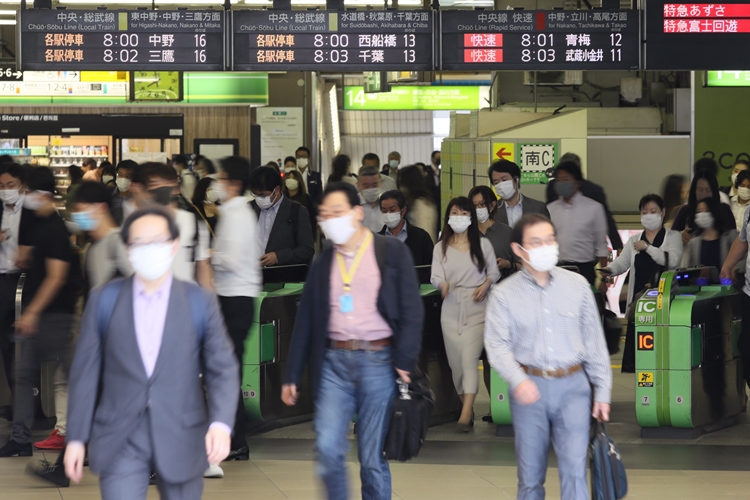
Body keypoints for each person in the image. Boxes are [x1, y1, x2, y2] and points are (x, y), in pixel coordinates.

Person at [63, 206, 239, 499]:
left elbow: (222, 367)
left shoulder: (199, 301)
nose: (149, 250)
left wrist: (221, 423)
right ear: (129, 251)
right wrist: (76, 438)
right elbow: (85, 373)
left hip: (182, 432)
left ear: (173, 246)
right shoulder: (104, 299)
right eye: (139, 243)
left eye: (157, 241)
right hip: (120, 435)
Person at [282, 182, 423, 500]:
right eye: (324, 215)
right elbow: (307, 320)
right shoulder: (324, 262)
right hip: (335, 365)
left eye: (337, 212)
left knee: (371, 458)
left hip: (379, 362)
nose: (329, 219)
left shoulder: (390, 252)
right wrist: (291, 374)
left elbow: (412, 310)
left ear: (357, 213)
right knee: (328, 450)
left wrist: (405, 361)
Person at [484, 212, 612, 500]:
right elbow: (497, 345)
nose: (545, 247)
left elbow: (594, 343)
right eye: (536, 241)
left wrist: (603, 391)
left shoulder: (577, 285)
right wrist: (518, 380)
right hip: (531, 388)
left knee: (575, 472)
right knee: (530, 479)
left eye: (550, 240)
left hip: (574, 388)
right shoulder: (504, 295)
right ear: (518, 250)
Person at [0, 167, 82, 458]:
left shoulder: (54, 229)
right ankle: (21, 439)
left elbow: (57, 276)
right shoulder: (40, 224)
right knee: (23, 375)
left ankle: (83, 439)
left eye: (26, 191)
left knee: (72, 376)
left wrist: (31, 312)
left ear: (40, 194)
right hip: (42, 315)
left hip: (54, 317)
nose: (24, 197)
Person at [431, 197, 499, 431]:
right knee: (455, 364)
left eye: (463, 213)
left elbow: (494, 272)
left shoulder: (483, 245)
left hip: (477, 307)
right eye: (454, 212)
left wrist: (486, 284)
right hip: (450, 308)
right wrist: (443, 286)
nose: (458, 217)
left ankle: (465, 413)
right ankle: (466, 408)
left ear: (470, 217)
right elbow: (435, 276)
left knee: (469, 359)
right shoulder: (440, 247)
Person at [211, 156, 262, 461]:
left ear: (234, 183)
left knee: (227, 373)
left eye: (220, 178)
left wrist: (207, 254)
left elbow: (228, 260)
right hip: (232, 298)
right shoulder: (233, 211)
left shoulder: (238, 214)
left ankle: (236, 441)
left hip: (235, 300)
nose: (216, 184)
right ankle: (232, 438)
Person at [600, 194, 682, 373]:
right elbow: (623, 263)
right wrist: (610, 270)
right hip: (640, 302)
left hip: (664, 301)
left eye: (653, 211)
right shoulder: (633, 241)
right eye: (644, 212)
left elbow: (672, 260)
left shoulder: (672, 237)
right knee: (642, 352)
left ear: (663, 212)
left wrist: (648, 247)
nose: (648, 215)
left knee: (663, 349)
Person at [0, 163, 35, 416]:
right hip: (3, 282)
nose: (5, 191)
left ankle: (31, 409)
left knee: (22, 349)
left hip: (24, 282)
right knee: (7, 347)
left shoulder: (32, 211)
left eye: (10, 185)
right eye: (1, 186)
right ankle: (18, 406)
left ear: (21, 185)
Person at [145, 163, 213, 289]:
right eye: (154, 185)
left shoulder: (193, 222)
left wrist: (210, 304)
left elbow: (203, 267)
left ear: (177, 188)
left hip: (184, 300)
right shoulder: (139, 225)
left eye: (165, 184)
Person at [547, 161, 609, 286]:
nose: (561, 183)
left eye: (565, 179)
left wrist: (604, 280)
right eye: (558, 179)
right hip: (555, 269)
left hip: (583, 270)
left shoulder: (594, 208)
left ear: (576, 184)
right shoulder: (550, 209)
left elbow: (601, 247)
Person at [546, 152, 623, 251]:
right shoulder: (553, 186)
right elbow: (547, 215)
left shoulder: (593, 190)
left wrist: (618, 246)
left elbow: (606, 219)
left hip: (586, 247)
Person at [72, 182, 134, 293]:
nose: (76, 216)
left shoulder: (120, 243)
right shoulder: (92, 249)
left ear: (101, 208)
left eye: (80, 209)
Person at [249, 166, 315, 267]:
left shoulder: (297, 211)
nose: (259, 199)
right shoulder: (249, 209)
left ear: (277, 190)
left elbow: (307, 250)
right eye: (255, 195)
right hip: (251, 276)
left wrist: (278, 257)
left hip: (282, 276)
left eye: (263, 195)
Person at [671, 170, 736, 245]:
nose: (704, 194)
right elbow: (670, 237)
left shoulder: (724, 210)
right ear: (694, 191)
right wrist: (680, 235)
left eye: (708, 190)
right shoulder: (685, 210)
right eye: (700, 190)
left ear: (714, 191)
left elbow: (733, 237)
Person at [469, 185, 515, 280]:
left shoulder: (507, 233)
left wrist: (508, 264)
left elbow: (522, 265)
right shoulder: (466, 233)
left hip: (502, 289)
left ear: (492, 205)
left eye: (482, 204)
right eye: (474, 205)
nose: (478, 209)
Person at [377, 190, 433, 266]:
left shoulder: (421, 237)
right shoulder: (376, 241)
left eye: (392, 210)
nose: (388, 214)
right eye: (384, 211)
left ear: (403, 211)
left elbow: (429, 268)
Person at [489, 160, 550, 228]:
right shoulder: (492, 210)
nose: (501, 185)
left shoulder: (538, 208)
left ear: (516, 179)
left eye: (504, 180)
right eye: (496, 183)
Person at [685, 196, 739, 270]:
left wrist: (734, 269)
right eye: (699, 211)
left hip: (726, 280)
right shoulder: (694, 242)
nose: (702, 214)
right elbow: (689, 267)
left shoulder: (731, 236)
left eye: (706, 210)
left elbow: (743, 259)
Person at [399, 165, 438, 243]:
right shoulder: (412, 203)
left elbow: (425, 235)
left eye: (402, 183)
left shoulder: (422, 205)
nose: (401, 188)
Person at [282, 168, 318, 241]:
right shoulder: (281, 199)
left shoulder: (307, 199)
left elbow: (312, 220)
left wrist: (312, 239)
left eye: (294, 178)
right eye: (289, 178)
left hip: (302, 237)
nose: (290, 180)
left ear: (299, 182)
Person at [358, 165, 385, 233]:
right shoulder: (351, 204)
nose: (370, 189)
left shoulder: (387, 202)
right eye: (366, 186)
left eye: (375, 185)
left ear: (380, 183)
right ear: (358, 185)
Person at [110, 160, 136, 226]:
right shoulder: (108, 194)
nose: (123, 178)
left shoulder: (137, 198)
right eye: (120, 175)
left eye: (127, 176)